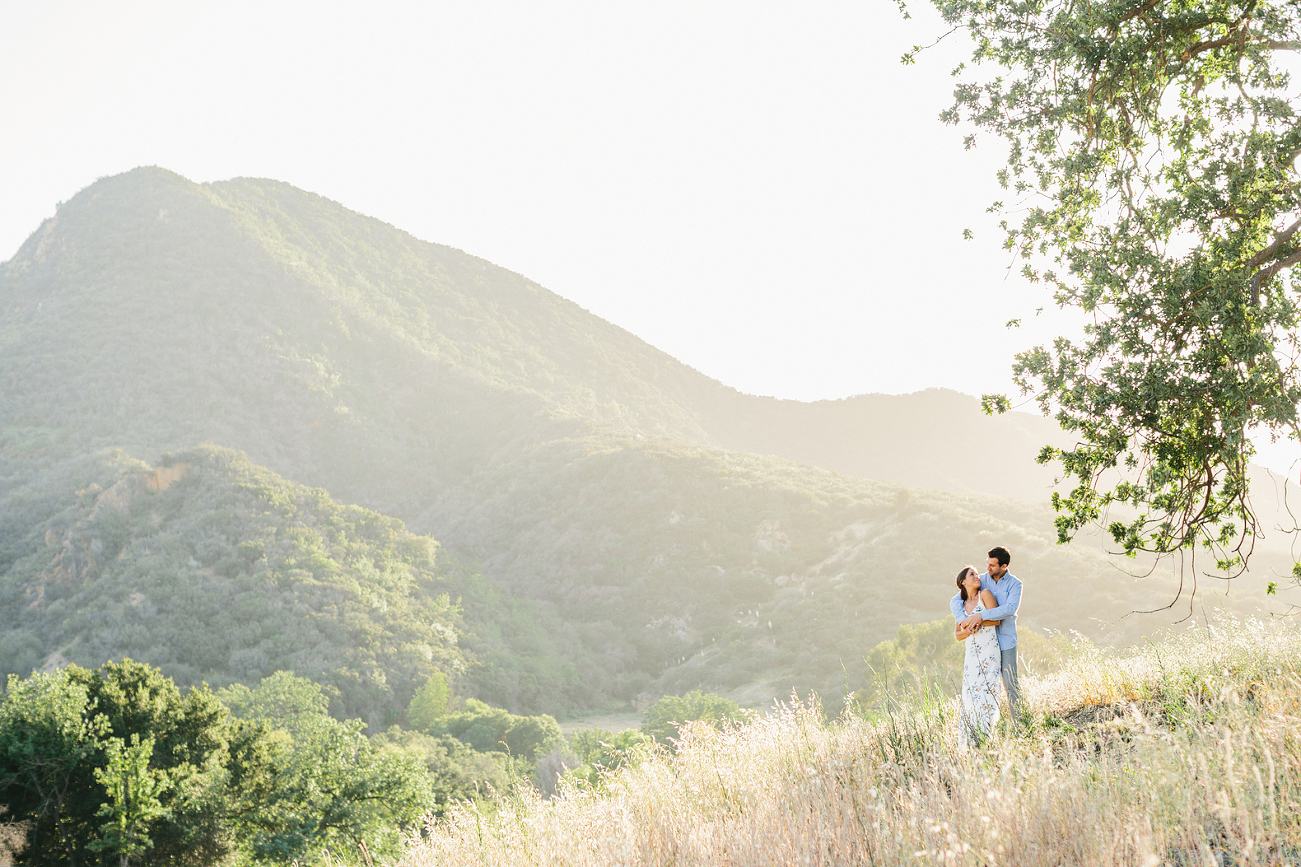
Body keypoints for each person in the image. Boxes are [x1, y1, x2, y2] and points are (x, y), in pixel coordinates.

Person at [951, 546, 1023, 716]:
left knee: (1010, 685)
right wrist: (965, 621)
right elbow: (956, 600)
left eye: (992, 565)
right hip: (983, 643)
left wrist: (981, 616)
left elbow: (1010, 609)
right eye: (987, 564)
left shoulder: (1015, 584)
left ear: (1004, 566)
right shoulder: (981, 579)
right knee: (982, 686)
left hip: (1005, 640)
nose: (988, 569)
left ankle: (1021, 726)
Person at [953, 565, 1001, 744]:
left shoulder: (985, 595)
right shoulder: (961, 606)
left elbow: (996, 618)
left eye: (976, 573)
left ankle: (986, 736)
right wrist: (971, 629)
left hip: (989, 650)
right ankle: (970, 740)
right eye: (972, 574)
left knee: (988, 692)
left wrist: (978, 621)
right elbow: (958, 635)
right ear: (963, 582)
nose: (977, 576)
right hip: (972, 654)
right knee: (971, 694)